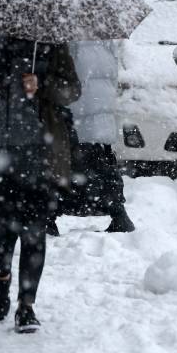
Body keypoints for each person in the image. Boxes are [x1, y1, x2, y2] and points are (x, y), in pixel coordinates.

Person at [0, 31, 80, 333]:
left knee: (34, 233)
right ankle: (1, 279)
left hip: (40, 154)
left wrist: (43, 85)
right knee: (2, 231)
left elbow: (72, 90)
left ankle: (27, 305)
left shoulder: (49, 41)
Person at [66, 41, 136, 232]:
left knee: (67, 168)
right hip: (102, 113)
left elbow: (70, 79)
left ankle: (50, 216)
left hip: (79, 115)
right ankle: (118, 213)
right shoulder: (107, 43)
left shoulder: (73, 45)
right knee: (103, 167)